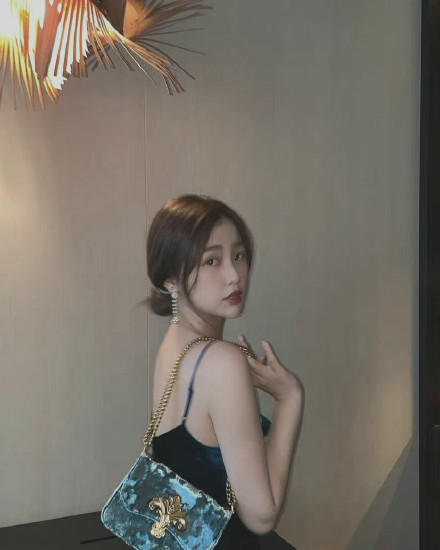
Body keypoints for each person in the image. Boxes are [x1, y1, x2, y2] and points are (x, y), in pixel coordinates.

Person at [145, 193, 304, 549]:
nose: (234, 275)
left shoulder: (173, 345)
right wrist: (290, 398)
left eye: (239, 256)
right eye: (212, 261)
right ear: (171, 280)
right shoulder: (221, 361)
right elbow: (261, 516)